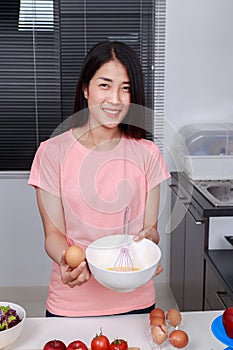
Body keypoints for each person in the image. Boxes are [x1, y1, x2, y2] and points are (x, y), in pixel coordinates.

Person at [28, 41, 170, 317]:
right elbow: (53, 235)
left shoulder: (148, 154)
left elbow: (150, 229)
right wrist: (66, 262)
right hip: (71, 302)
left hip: (135, 301)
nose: (115, 99)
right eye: (105, 85)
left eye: (125, 88)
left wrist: (148, 244)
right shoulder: (52, 152)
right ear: (85, 88)